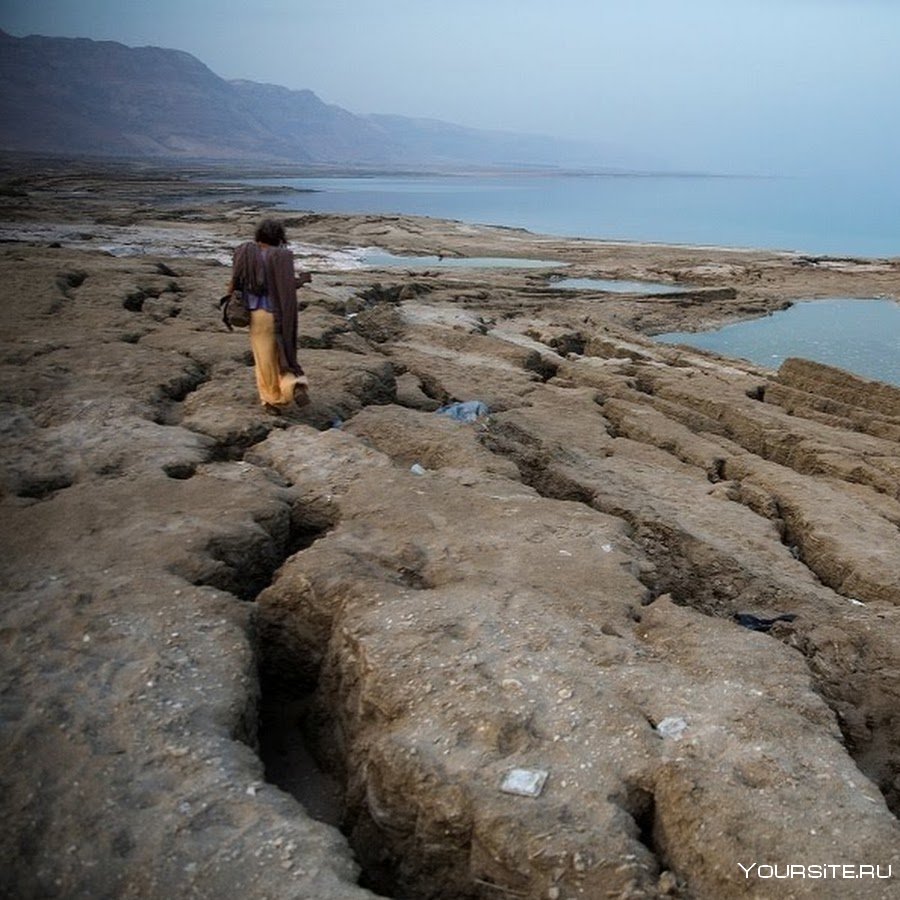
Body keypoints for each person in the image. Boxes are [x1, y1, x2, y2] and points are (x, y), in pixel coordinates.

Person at [228, 219, 311, 412]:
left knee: (264, 359)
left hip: (258, 314)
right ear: (278, 236)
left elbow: (234, 281)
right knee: (282, 353)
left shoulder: (245, 252)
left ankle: (272, 398)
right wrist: (301, 281)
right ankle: (293, 383)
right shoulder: (283, 257)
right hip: (280, 313)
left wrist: (229, 297)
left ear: (259, 235)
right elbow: (285, 285)